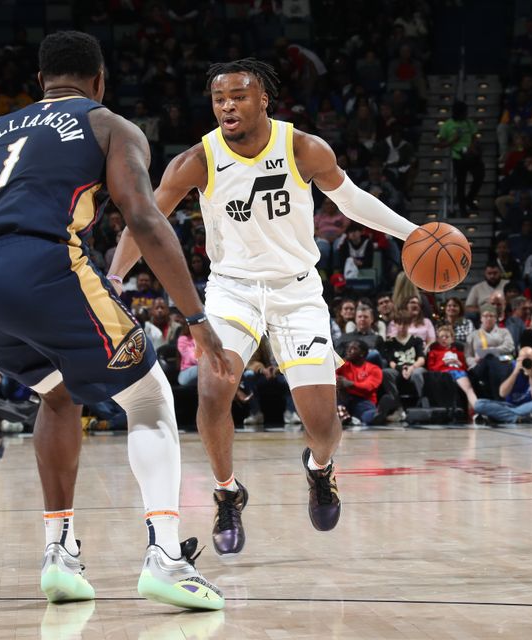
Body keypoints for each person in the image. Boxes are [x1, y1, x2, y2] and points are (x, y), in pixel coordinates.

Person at [0, 32, 230, 611]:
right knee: (149, 398)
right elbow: (143, 219)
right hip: (40, 267)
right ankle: (166, 559)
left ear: (40, 82)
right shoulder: (110, 125)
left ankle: (58, 553)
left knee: (58, 395)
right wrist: (195, 317)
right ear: (99, 81)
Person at [107, 58, 418, 554]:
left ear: (263, 99)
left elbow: (352, 200)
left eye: (238, 96)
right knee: (214, 387)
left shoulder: (302, 148)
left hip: (297, 292)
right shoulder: (198, 159)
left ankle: (320, 469)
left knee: (321, 424)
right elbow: (145, 218)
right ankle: (227, 493)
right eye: (219, 99)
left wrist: (413, 233)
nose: (227, 105)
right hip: (233, 290)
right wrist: (115, 277)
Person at [473, 346, 532, 424]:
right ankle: (517, 418)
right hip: (510, 406)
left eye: (529, 360)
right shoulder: (510, 368)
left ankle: (503, 417)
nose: (526, 363)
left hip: (529, 407)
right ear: (518, 359)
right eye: (523, 360)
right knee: (479, 404)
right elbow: (502, 393)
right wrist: (515, 372)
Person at [437, 100, 483, 216]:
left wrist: (473, 147)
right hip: (458, 156)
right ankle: (463, 209)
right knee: (460, 183)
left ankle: (469, 198)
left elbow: (474, 136)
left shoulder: (468, 123)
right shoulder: (447, 125)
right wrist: (453, 140)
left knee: (479, 175)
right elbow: (440, 144)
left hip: (471, 155)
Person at [336, 341, 395, 425]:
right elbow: (330, 373)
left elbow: (369, 386)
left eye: (353, 348)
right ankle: (344, 417)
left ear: (362, 353)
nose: (348, 350)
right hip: (344, 398)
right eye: (348, 348)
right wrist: (338, 379)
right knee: (336, 396)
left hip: (363, 400)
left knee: (366, 415)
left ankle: (378, 414)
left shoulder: (374, 369)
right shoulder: (343, 365)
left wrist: (351, 384)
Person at [426, 325, 478, 414]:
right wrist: (444, 363)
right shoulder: (434, 352)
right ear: (438, 339)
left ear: (452, 339)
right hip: (443, 374)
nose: (444, 339)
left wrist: (458, 363)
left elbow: (465, 368)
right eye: (441, 337)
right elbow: (431, 368)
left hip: (458, 372)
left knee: (468, 388)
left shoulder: (459, 353)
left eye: (447, 337)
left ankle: (476, 411)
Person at [464, 304, 516, 368]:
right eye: (485, 316)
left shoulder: (504, 331)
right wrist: (474, 361)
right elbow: (468, 356)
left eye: (491, 316)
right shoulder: (472, 335)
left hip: (502, 360)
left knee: (512, 360)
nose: (488, 318)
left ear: (496, 319)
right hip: (480, 364)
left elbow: (510, 347)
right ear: (481, 318)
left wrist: (492, 350)